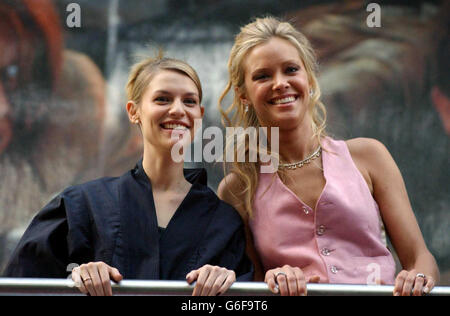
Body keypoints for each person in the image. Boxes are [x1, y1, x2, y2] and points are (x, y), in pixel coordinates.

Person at [217, 16, 439, 296]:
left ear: (309, 78)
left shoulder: (369, 156)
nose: (280, 83)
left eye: (290, 69)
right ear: (243, 95)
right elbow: (253, 286)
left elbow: (420, 258)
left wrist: (418, 277)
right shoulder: (237, 189)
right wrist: (274, 280)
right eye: (262, 76)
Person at [4, 54, 253, 296]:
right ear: (133, 111)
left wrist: (226, 287)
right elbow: (22, 286)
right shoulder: (81, 206)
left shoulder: (223, 223)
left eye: (189, 102)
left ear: (199, 115)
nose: (178, 110)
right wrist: (73, 280)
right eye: (163, 99)